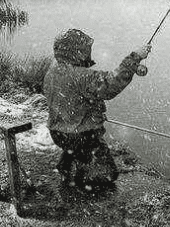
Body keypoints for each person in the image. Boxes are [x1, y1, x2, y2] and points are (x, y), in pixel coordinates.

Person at [43, 28, 150, 191]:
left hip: (58, 133)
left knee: (74, 146)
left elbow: (74, 98)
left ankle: (68, 165)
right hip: (82, 136)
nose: (88, 54)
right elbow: (110, 84)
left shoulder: (53, 71)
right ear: (76, 52)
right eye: (85, 50)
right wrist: (135, 57)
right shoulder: (81, 75)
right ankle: (80, 181)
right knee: (108, 174)